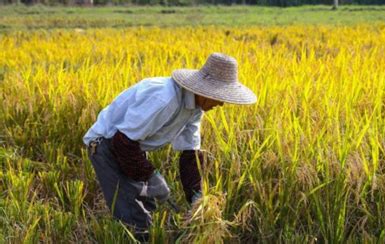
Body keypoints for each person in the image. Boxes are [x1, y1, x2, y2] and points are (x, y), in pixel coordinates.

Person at [83, 53, 257, 241]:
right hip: (107, 146)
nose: (221, 103)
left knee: (147, 205)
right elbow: (122, 142)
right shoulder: (164, 98)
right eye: (219, 97)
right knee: (134, 218)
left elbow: (189, 153)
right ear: (206, 91)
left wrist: (196, 196)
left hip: (131, 149)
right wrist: (151, 176)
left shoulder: (195, 108)